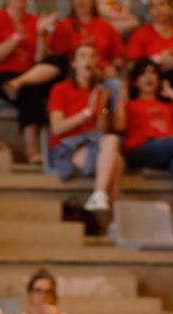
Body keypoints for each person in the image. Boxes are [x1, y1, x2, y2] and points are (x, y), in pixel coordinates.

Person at [47, 43, 125, 217]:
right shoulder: (60, 89)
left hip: (93, 142)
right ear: (74, 63)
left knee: (117, 158)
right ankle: (101, 199)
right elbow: (57, 128)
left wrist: (104, 106)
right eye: (82, 56)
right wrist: (86, 112)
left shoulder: (99, 91)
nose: (88, 60)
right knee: (113, 146)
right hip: (67, 147)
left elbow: (102, 130)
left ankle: (108, 210)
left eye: (91, 56)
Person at [0, 0, 47, 164]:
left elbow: (41, 60)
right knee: (28, 92)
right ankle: (31, 150)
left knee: (37, 89)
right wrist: (15, 38)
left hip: (27, 78)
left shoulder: (35, 21)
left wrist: (40, 35)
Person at [126, 0, 173, 102]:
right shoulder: (140, 35)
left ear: (170, 8)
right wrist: (157, 60)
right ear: (149, 11)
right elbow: (131, 66)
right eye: (153, 7)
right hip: (154, 84)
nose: (158, 10)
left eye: (162, 4)